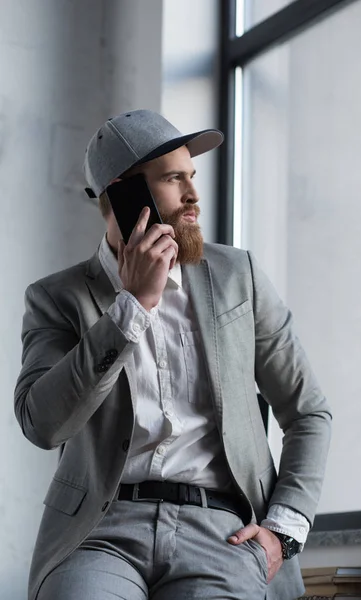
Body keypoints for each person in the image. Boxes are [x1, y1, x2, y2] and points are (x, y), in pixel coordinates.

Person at [15, 109, 332, 600]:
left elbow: (308, 409)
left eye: (192, 176)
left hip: (222, 532)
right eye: (173, 179)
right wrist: (132, 307)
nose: (193, 195)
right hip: (99, 533)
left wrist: (282, 530)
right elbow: (43, 424)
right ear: (125, 192)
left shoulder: (236, 277)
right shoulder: (57, 297)